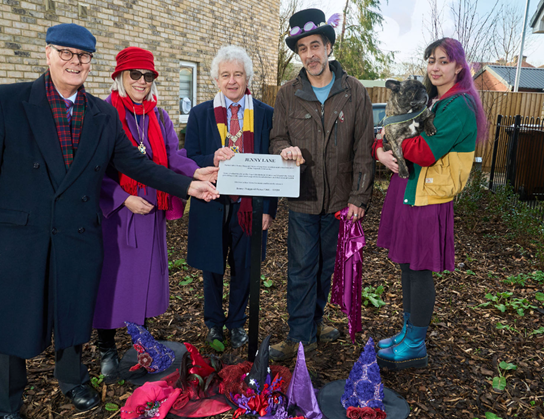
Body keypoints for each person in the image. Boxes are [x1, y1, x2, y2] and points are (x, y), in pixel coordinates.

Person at [0, 24, 218, 419]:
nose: (74, 62)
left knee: (74, 312)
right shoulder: (8, 100)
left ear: (91, 63)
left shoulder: (100, 114)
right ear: (48, 54)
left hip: (77, 233)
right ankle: (5, 401)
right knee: (12, 319)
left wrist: (188, 186)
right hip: (20, 234)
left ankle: (73, 380)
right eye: (65, 53)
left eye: (82, 56)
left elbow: (135, 163)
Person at [91, 47, 214, 382]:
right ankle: (106, 349)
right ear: (119, 77)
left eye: (148, 76)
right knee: (111, 284)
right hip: (116, 213)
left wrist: (196, 173)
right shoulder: (103, 113)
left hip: (152, 210)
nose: (142, 82)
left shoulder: (158, 116)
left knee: (143, 283)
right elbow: (92, 169)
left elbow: (173, 156)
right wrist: (121, 197)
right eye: (135, 75)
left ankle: (141, 344)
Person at [373, 38, 488, 370]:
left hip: (428, 198)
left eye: (443, 61)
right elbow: (382, 139)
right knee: (408, 266)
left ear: (459, 66)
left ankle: (415, 344)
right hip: (409, 192)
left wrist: (392, 136)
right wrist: (381, 148)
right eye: (430, 60)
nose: (435, 67)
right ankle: (407, 331)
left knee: (420, 269)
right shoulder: (434, 101)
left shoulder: (459, 105)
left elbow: (424, 151)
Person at [268, 8, 375, 361]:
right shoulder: (287, 94)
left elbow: (363, 148)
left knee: (326, 268)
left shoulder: (354, 92)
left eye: (316, 46)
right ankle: (300, 338)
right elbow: (276, 140)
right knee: (301, 267)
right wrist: (285, 151)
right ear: (298, 55)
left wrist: (359, 196)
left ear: (328, 47)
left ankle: (314, 322)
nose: (310, 55)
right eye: (303, 49)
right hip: (302, 197)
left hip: (341, 201)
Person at [185, 46, 277, 349]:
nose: (232, 80)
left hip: (251, 205)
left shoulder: (265, 114)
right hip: (211, 202)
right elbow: (188, 158)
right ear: (216, 79)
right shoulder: (199, 114)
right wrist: (212, 156)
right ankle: (213, 323)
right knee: (212, 267)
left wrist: (269, 210)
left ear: (247, 76)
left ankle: (237, 323)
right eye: (226, 75)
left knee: (245, 267)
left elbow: (274, 164)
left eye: (238, 74)